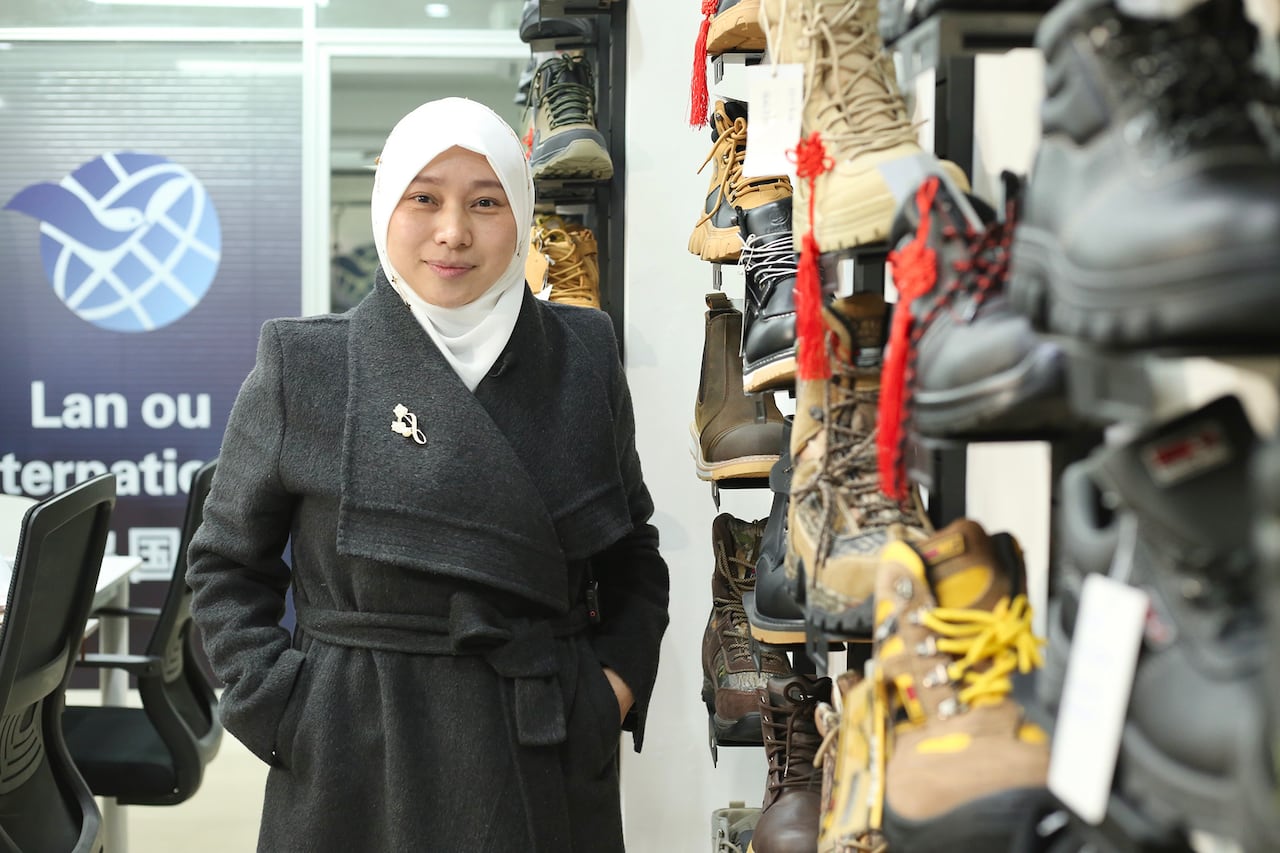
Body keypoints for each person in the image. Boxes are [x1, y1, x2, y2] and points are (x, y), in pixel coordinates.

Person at [187, 97, 670, 853]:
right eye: (425, 198)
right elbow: (224, 565)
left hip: (536, 742)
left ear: (523, 214)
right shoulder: (304, 363)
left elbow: (632, 551)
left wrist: (609, 690)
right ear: (387, 204)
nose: (453, 232)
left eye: (486, 202)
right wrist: (283, 708)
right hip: (357, 757)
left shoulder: (582, 353)